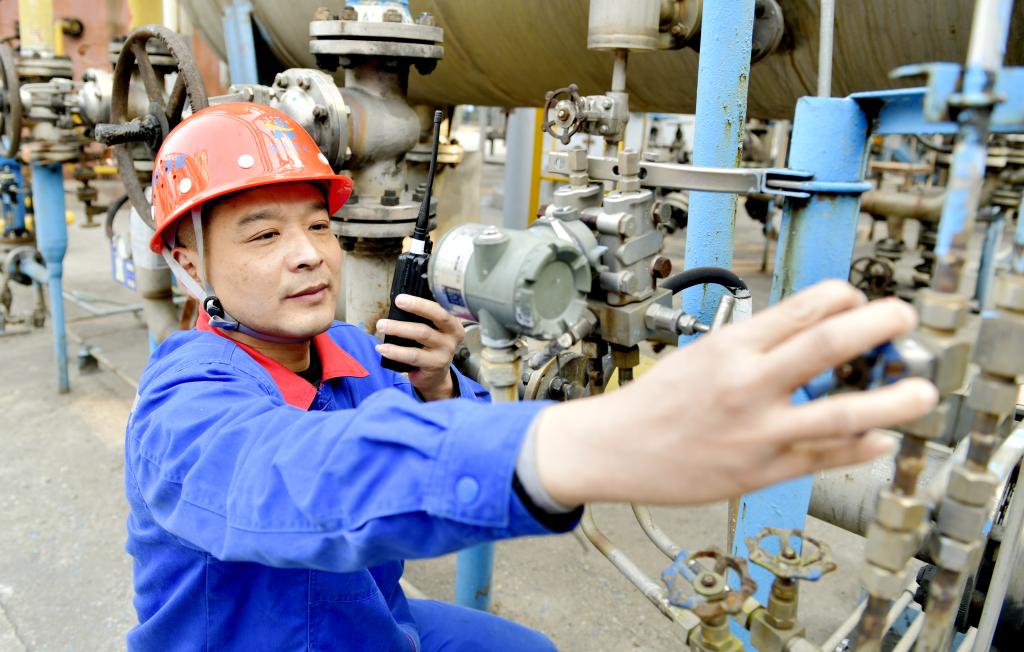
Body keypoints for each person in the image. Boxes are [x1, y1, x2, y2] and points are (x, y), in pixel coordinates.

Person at [125, 104, 938, 651]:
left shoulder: (356, 351)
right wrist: (585, 441)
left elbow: (451, 426)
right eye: (263, 235)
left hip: (370, 626)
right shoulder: (182, 407)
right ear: (189, 261)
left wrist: (443, 388)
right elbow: (303, 478)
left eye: (317, 223)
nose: (308, 254)